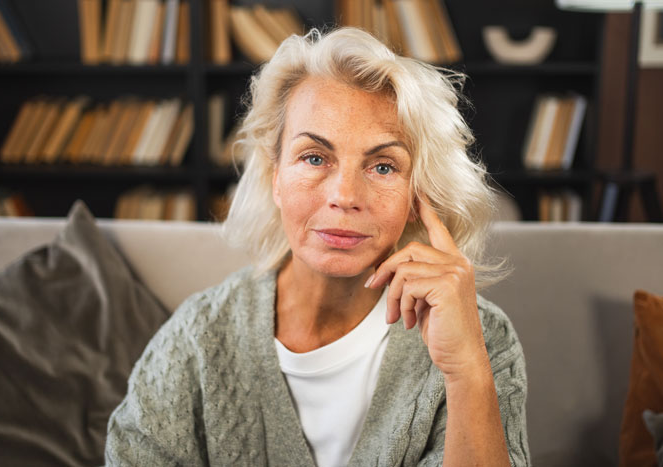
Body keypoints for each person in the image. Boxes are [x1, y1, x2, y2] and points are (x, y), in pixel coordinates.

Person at [105, 27, 530, 466]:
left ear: (417, 195)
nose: (345, 196)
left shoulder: (483, 338)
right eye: (314, 158)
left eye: (383, 166)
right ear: (275, 176)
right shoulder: (197, 339)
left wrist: (466, 372)